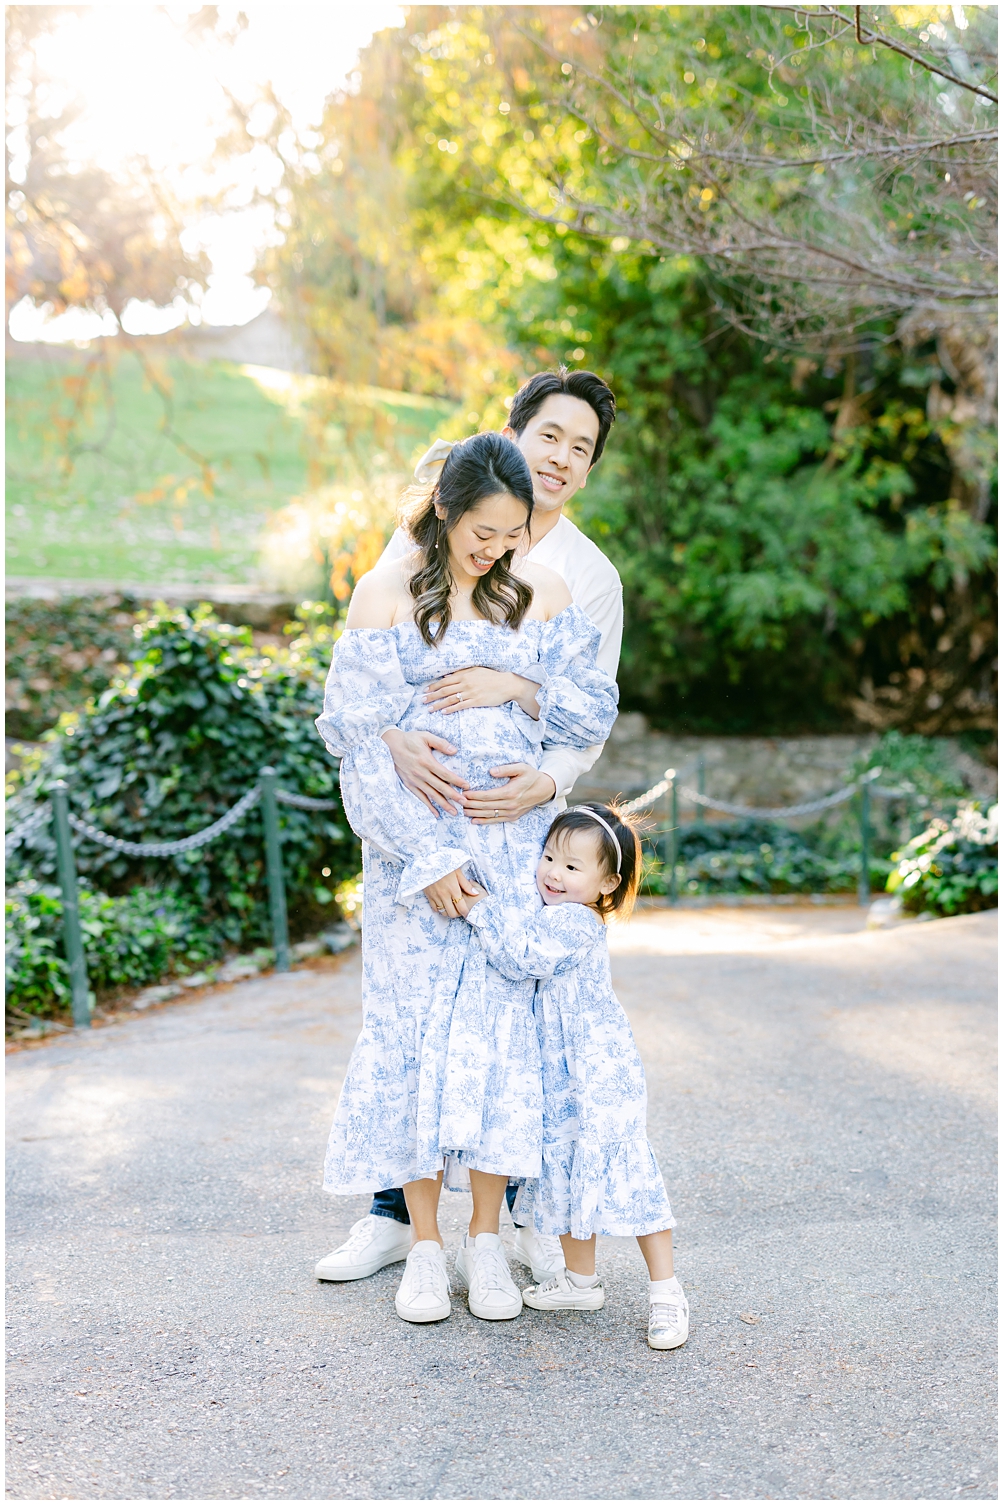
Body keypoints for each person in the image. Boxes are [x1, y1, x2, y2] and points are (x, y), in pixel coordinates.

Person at [318, 368, 624, 1287]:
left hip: (510, 841)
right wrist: (416, 815)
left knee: (504, 1042)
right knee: (408, 1035)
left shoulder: (561, 587)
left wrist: (520, 698)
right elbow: (356, 724)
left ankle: (492, 1237)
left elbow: (588, 709)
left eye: (511, 533)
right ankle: (413, 1237)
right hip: (416, 854)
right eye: (481, 532)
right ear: (449, 510)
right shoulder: (393, 583)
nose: (495, 549)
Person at [459, 802, 688, 1352]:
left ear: (607, 883)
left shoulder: (575, 921)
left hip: (596, 1069)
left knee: (623, 1167)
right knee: (564, 1166)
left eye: (571, 866)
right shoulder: (553, 912)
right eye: (548, 857)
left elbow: (522, 957)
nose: (552, 873)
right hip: (563, 1071)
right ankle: (580, 1282)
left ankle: (666, 1291)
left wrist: (480, 909)